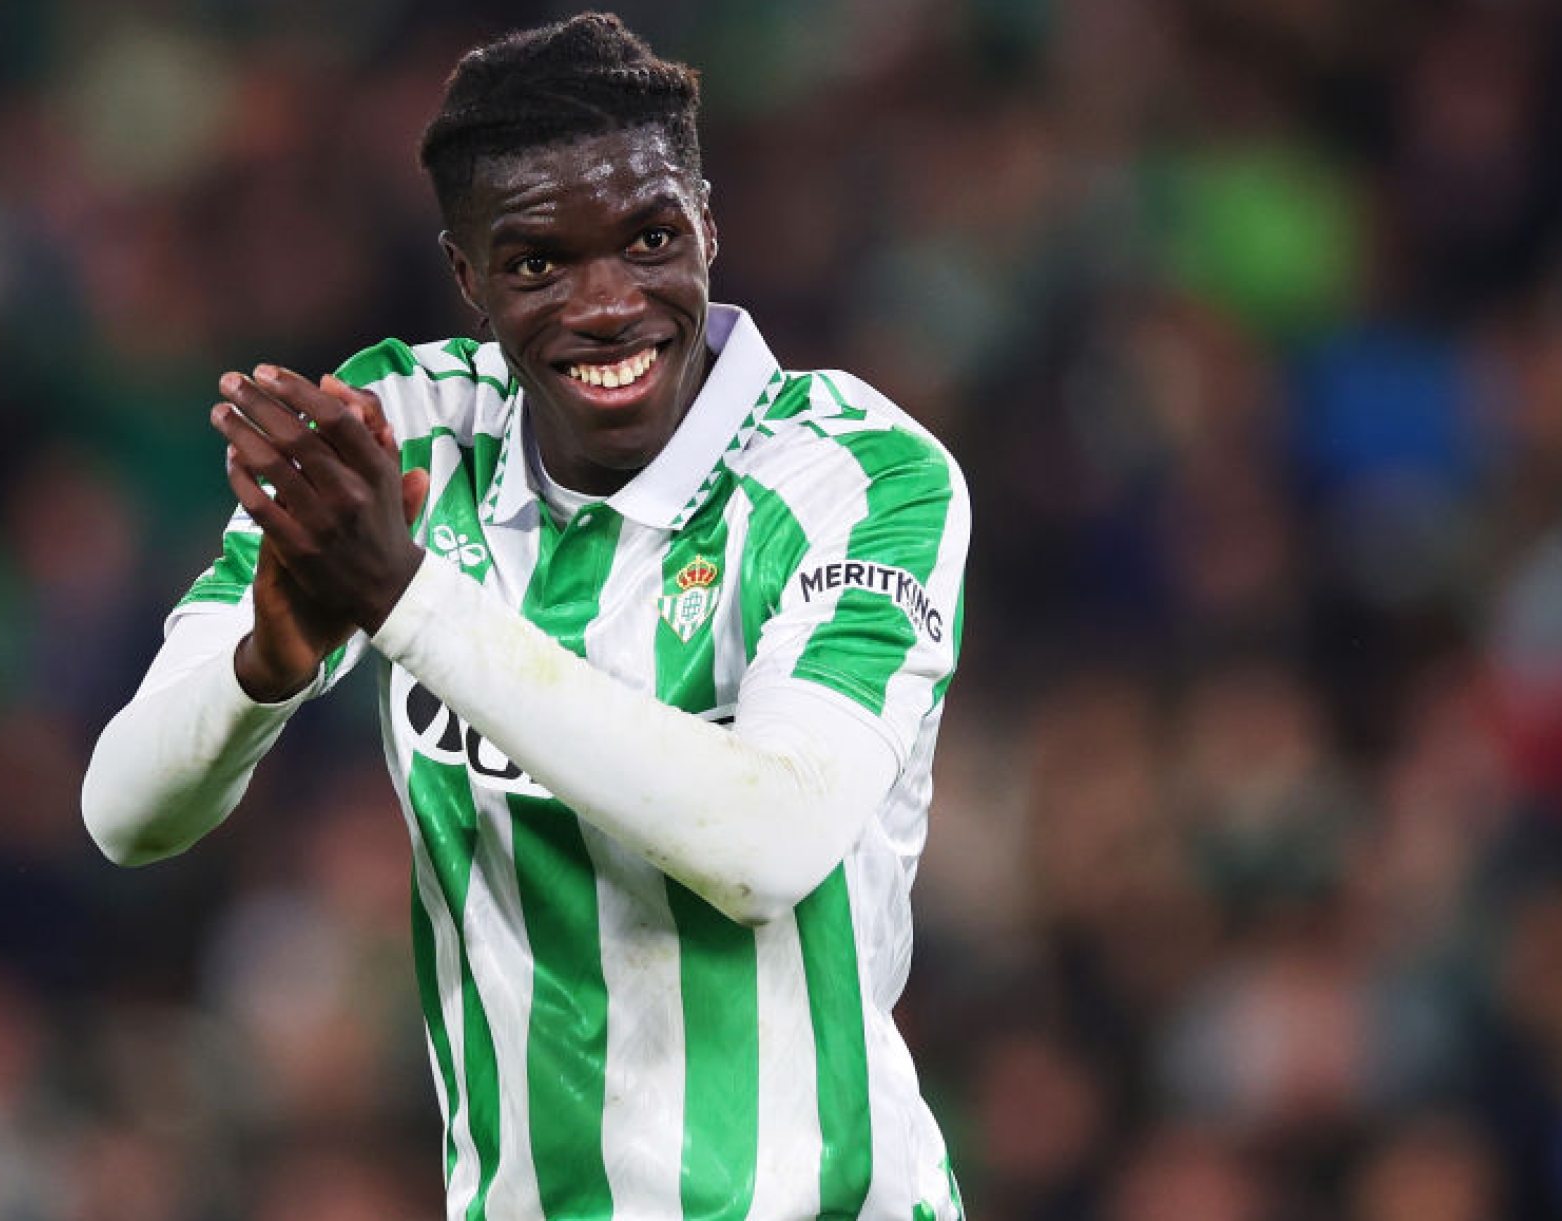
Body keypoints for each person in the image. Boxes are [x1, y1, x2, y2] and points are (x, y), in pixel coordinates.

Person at [81, 12, 970, 1218]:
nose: (608, 304)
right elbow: (123, 815)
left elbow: (767, 846)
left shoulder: (856, 479)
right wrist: (264, 667)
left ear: (710, 222)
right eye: (539, 262)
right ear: (467, 276)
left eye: (651, 237)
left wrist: (405, 600)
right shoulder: (407, 432)